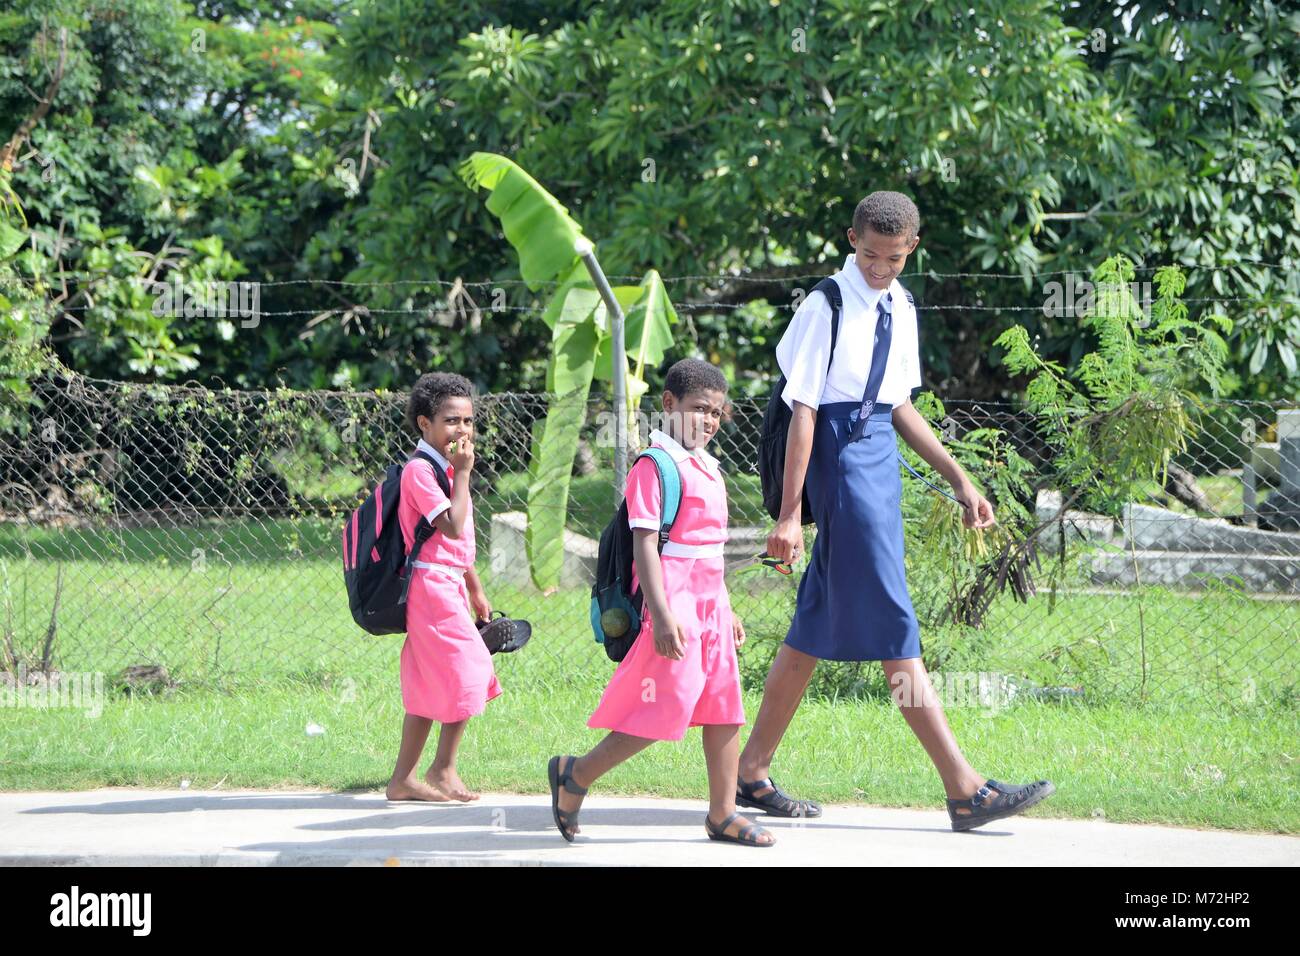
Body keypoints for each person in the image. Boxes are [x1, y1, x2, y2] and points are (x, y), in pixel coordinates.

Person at [738, 191, 1056, 831]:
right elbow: (803, 410)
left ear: (913, 247)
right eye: (870, 254)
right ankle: (964, 787)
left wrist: (960, 479)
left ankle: (750, 772)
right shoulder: (824, 305)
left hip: (879, 457)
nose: (881, 268)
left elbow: (900, 405)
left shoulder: (902, 304)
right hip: (839, 462)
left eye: (894, 257)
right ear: (850, 238)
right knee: (894, 620)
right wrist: (790, 515)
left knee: (810, 629)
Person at [548, 359, 774, 846]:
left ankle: (722, 813)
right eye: (698, 409)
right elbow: (645, 545)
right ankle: (576, 775)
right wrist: (665, 615)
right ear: (669, 404)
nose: (709, 421)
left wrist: (727, 606)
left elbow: (709, 550)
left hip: (710, 605)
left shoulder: (709, 468)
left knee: (724, 708)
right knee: (661, 709)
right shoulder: (654, 466)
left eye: (716, 412)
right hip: (674, 607)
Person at [385, 371, 501, 803]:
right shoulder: (421, 471)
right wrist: (464, 474)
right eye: (452, 421)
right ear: (424, 424)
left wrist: (475, 587)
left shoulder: (443, 469)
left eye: (469, 421)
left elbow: (460, 541)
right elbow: (450, 527)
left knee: (427, 684)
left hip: (448, 582)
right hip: (431, 588)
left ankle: (402, 780)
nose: (463, 430)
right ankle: (442, 767)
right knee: (471, 670)